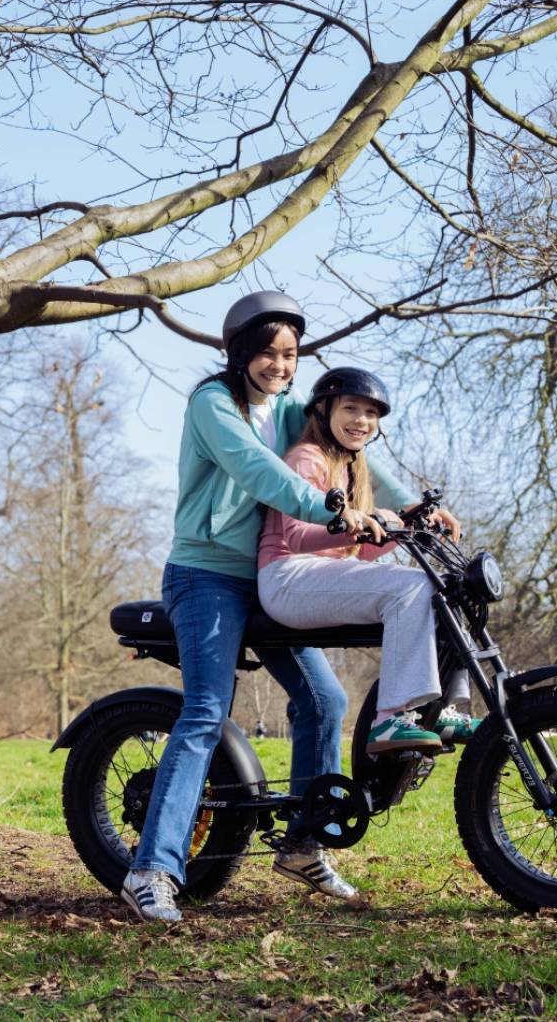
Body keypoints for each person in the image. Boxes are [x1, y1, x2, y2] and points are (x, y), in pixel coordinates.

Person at [120, 292, 433, 925]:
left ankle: (304, 844)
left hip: (269, 577)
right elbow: (259, 472)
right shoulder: (213, 403)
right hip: (206, 575)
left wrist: (414, 507)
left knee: (325, 700)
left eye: (290, 355)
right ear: (240, 352)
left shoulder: (292, 409)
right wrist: (333, 512)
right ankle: (151, 869)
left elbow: (349, 452)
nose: (280, 366)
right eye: (267, 352)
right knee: (208, 710)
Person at [257, 367, 477, 756]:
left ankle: (444, 708)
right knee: (410, 588)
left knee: (447, 590)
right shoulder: (307, 458)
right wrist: (353, 526)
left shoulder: (352, 468)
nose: (362, 421)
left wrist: (403, 527)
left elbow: (358, 548)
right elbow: (294, 536)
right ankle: (390, 717)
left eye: (371, 414)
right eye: (351, 409)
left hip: (320, 574)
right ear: (324, 411)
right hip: (287, 575)